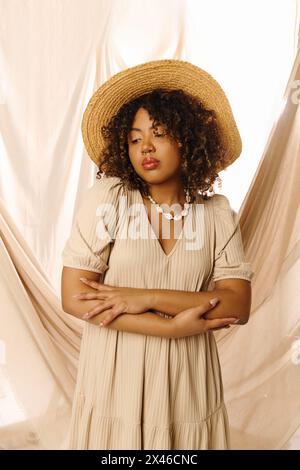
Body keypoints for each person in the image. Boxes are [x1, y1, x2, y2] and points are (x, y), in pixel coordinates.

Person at [61, 59, 254, 450]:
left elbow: (238, 305)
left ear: (188, 138)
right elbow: (74, 298)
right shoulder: (110, 200)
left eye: (159, 133)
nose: (145, 147)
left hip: (187, 383)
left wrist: (144, 297)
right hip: (116, 379)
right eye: (134, 139)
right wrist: (169, 327)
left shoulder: (216, 213)